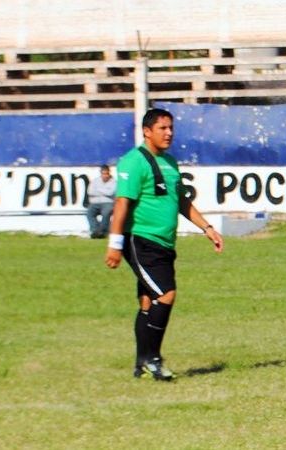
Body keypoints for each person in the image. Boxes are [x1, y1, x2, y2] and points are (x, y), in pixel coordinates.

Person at [105, 108, 224, 381]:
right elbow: (122, 203)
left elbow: (181, 201)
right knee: (166, 294)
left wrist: (207, 228)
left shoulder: (170, 162)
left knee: (148, 302)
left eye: (171, 128)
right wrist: (114, 244)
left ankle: (141, 364)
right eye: (162, 128)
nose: (169, 133)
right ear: (147, 132)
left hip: (164, 242)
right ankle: (153, 359)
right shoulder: (133, 162)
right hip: (140, 240)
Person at [86, 164, 116, 238]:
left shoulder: (114, 182)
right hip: (95, 203)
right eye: (103, 173)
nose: (105, 175)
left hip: (108, 202)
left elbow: (110, 193)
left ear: (109, 173)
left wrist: (98, 190)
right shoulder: (95, 181)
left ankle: (103, 232)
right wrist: (104, 191)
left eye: (106, 173)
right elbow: (90, 192)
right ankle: (95, 231)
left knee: (106, 213)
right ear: (101, 173)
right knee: (90, 213)